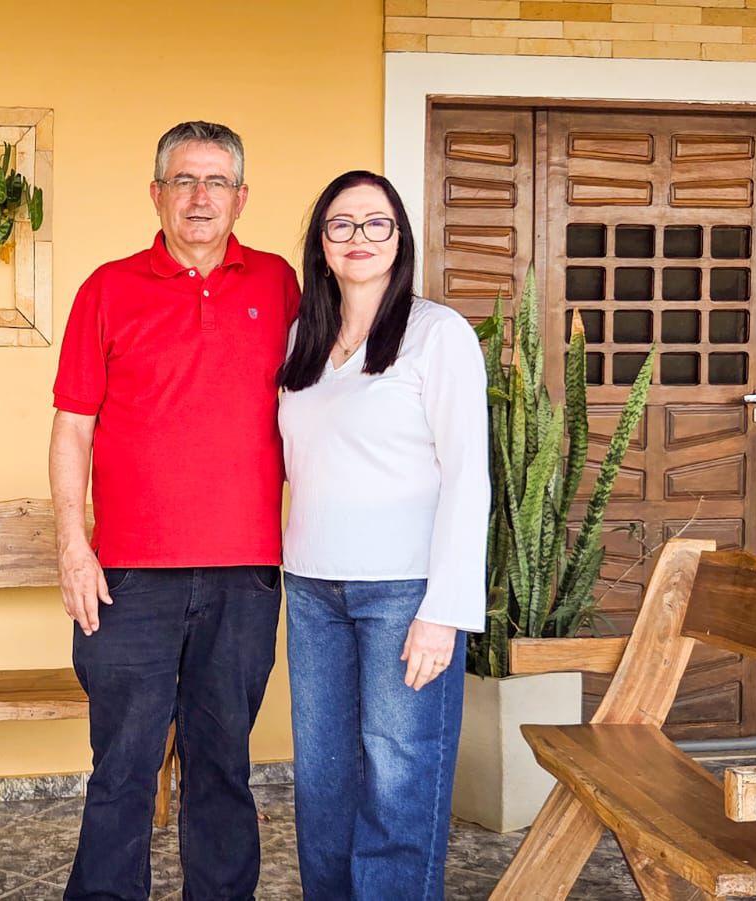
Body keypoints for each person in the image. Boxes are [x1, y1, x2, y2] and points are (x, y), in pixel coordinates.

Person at [49, 121, 301, 901]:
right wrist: (73, 546)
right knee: (123, 765)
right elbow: (73, 426)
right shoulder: (107, 288)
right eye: (184, 180)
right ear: (156, 194)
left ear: (241, 197)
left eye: (216, 181)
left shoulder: (279, 284)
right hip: (128, 576)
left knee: (223, 764)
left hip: (245, 573)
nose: (200, 197)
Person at [277, 170, 491, 900]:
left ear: (400, 238)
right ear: (321, 243)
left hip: (405, 593)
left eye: (376, 223)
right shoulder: (303, 338)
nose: (359, 237)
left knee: (401, 777)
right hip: (312, 588)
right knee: (324, 779)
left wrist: (444, 610)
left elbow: (468, 477)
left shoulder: (438, 334)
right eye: (341, 224)